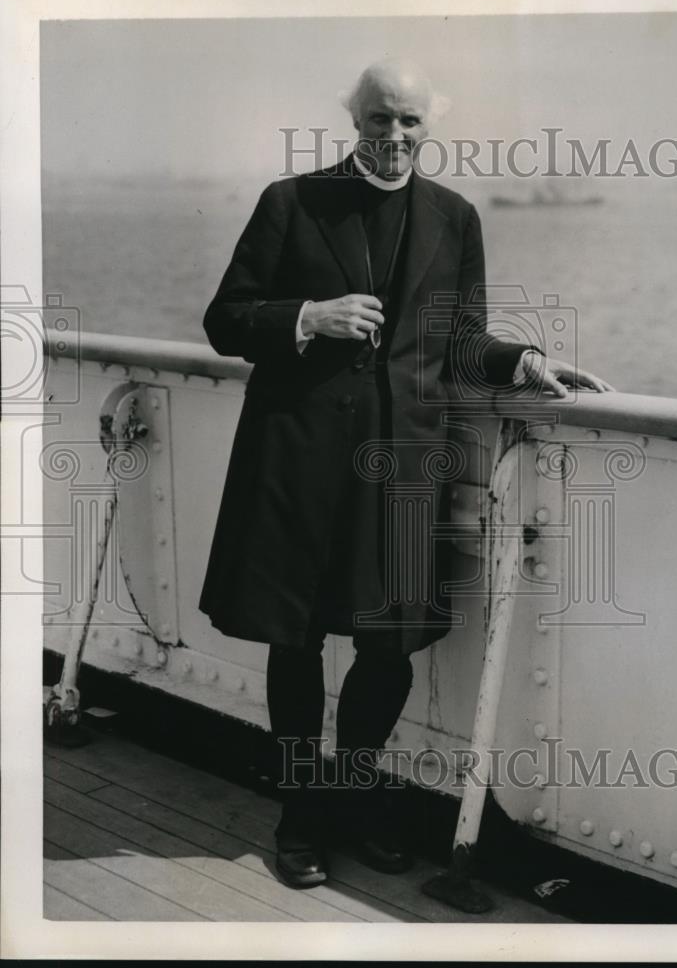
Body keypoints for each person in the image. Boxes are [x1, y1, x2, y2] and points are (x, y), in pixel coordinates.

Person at [199, 59, 612, 889]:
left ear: (430, 126)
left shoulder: (453, 217)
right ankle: (301, 813)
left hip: (402, 463)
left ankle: (348, 798)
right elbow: (224, 320)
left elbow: (459, 341)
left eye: (410, 122)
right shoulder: (292, 201)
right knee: (298, 636)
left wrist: (523, 357)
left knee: (386, 646)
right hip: (299, 458)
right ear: (354, 119)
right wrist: (306, 317)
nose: (394, 137)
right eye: (379, 119)